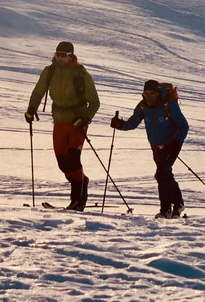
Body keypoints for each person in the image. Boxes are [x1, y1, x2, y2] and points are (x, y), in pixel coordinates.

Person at [24, 41, 100, 210]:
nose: (60, 58)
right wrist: (31, 109)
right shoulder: (49, 71)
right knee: (62, 163)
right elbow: (38, 91)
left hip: (76, 122)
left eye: (64, 55)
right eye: (58, 54)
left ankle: (78, 200)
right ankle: (82, 181)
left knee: (73, 160)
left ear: (71, 56)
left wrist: (85, 119)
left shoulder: (81, 74)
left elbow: (95, 102)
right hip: (59, 121)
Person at [111, 80, 189, 218]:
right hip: (156, 147)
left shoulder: (169, 105)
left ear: (158, 92)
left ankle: (165, 210)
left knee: (161, 174)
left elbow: (184, 126)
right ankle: (178, 203)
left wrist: (177, 143)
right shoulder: (142, 106)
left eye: (152, 93)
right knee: (165, 174)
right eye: (146, 94)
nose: (149, 96)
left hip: (172, 145)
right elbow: (133, 123)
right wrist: (120, 125)